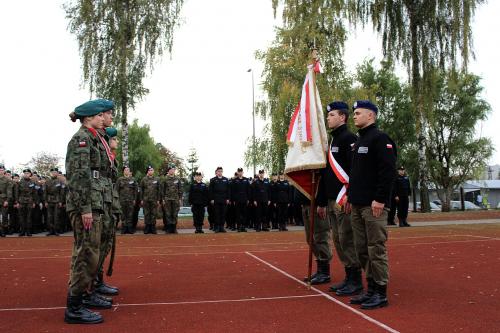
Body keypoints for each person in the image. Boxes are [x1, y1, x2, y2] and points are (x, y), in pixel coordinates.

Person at [64, 99, 110, 324]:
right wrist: (85, 208)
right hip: (86, 205)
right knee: (85, 255)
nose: (104, 118)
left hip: (93, 202)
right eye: (100, 115)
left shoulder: (92, 138)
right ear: (89, 117)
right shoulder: (82, 139)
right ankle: (74, 307)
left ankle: (83, 297)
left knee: (90, 253)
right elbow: (78, 176)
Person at [347, 100, 397, 310]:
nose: (354, 116)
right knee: (362, 249)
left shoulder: (380, 138)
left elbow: (387, 172)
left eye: (358, 113)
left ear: (371, 116)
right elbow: (357, 175)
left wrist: (380, 199)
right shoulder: (359, 141)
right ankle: (371, 289)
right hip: (357, 204)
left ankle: (381, 292)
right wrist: (350, 198)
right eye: (354, 113)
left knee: (375, 248)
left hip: (373, 205)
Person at [317, 101, 362, 296]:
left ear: (342, 117)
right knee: (337, 239)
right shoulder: (333, 140)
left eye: (331, 115)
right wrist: (322, 200)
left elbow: (355, 171)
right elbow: (327, 174)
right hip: (331, 199)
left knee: (347, 239)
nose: (328, 118)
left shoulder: (349, 138)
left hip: (343, 199)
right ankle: (348, 276)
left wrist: (350, 196)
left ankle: (356, 280)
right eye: (328, 115)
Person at [161, 164, 183, 234]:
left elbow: (180, 190)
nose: (172, 171)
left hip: (176, 199)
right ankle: (169, 228)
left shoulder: (177, 179)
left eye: (173, 169)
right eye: (170, 170)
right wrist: (163, 199)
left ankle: (174, 228)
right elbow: (162, 190)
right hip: (167, 199)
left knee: (175, 213)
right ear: (168, 171)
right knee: (168, 214)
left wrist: (180, 199)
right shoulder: (165, 179)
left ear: (174, 171)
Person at [117, 166, 138, 234]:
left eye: (128, 170)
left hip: (131, 200)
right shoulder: (120, 180)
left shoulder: (133, 180)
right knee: (123, 215)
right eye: (125, 170)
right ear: (123, 171)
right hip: (122, 200)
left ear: (129, 172)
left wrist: (134, 199)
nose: (127, 171)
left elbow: (135, 190)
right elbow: (116, 190)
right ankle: (124, 228)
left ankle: (129, 228)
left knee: (130, 214)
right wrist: (117, 200)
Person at [209, 167, 231, 233]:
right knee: (216, 214)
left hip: (224, 199)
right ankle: (217, 227)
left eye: (221, 171)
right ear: (216, 172)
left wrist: (228, 198)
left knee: (223, 213)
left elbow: (228, 190)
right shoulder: (213, 180)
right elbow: (211, 190)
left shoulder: (226, 179)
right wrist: (212, 199)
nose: (220, 172)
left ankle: (222, 227)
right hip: (216, 199)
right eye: (219, 171)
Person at [140, 165, 161, 234]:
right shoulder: (144, 179)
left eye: (151, 170)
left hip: (154, 199)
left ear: (153, 171)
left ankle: (153, 227)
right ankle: (147, 227)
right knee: (146, 213)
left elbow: (159, 190)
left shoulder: (157, 179)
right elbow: (141, 190)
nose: (150, 171)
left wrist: (158, 199)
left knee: (153, 213)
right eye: (149, 170)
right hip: (146, 199)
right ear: (147, 171)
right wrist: (141, 199)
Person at [17, 169, 37, 237]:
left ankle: (28, 231)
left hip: (30, 201)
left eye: (27, 173)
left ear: (30, 174)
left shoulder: (32, 182)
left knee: (29, 217)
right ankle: (22, 231)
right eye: (25, 173)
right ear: (23, 174)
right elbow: (17, 193)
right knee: (21, 217)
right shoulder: (20, 182)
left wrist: (34, 202)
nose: (26, 174)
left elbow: (35, 193)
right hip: (21, 201)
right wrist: (17, 202)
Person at [44, 167, 63, 236]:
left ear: (57, 173)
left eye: (55, 172)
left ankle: (56, 230)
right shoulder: (47, 181)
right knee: (49, 216)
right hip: (49, 200)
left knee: (56, 216)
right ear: (50, 173)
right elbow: (45, 192)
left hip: (57, 200)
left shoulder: (60, 181)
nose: (53, 173)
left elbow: (62, 192)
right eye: (52, 172)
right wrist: (45, 201)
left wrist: (61, 201)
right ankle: (50, 230)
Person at [230, 168, 251, 232]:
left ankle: (243, 226)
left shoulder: (246, 180)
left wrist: (248, 199)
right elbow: (232, 191)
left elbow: (248, 190)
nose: (240, 173)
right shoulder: (234, 180)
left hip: (244, 199)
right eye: (239, 172)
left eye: (241, 172)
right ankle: (239, 226)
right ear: (237, 172)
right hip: (237, 200)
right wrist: (233, 200)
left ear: (243, 172)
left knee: (244, 213)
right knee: (238, 214)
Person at [0, 164, 13, 237]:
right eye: (0, 170)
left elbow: (9, 191)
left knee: (4, 216)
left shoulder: (7, 180)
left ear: (4, 171)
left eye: (2, 170)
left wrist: (7, 200)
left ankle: (3, 230)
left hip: (3, 200)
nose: (0, 171)